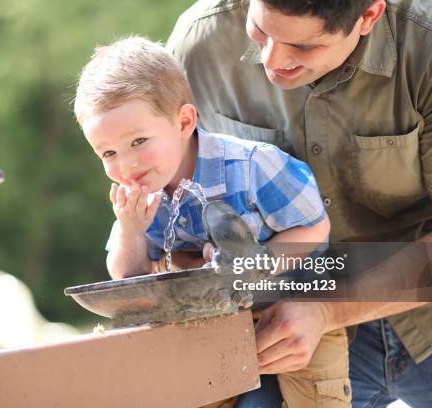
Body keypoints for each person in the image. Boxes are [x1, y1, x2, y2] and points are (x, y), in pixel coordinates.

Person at [167, 0, 432, 406]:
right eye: (260, 30)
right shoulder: (198, 46)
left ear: (368, 16)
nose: (271, 60)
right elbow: (165, 192)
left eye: (304, 47)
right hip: (283, 326)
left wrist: (326, 311)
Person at [73, 36, 352, 408]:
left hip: (293, 307)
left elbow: (314, 228)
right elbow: (126, 276)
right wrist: (131, 228)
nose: (126, 165)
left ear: (184, 121)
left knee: (317, 398)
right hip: (211, 322)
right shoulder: (141, 199)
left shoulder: (252, 167)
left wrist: (254, 264)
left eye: (139, 141)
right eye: (108, 153)